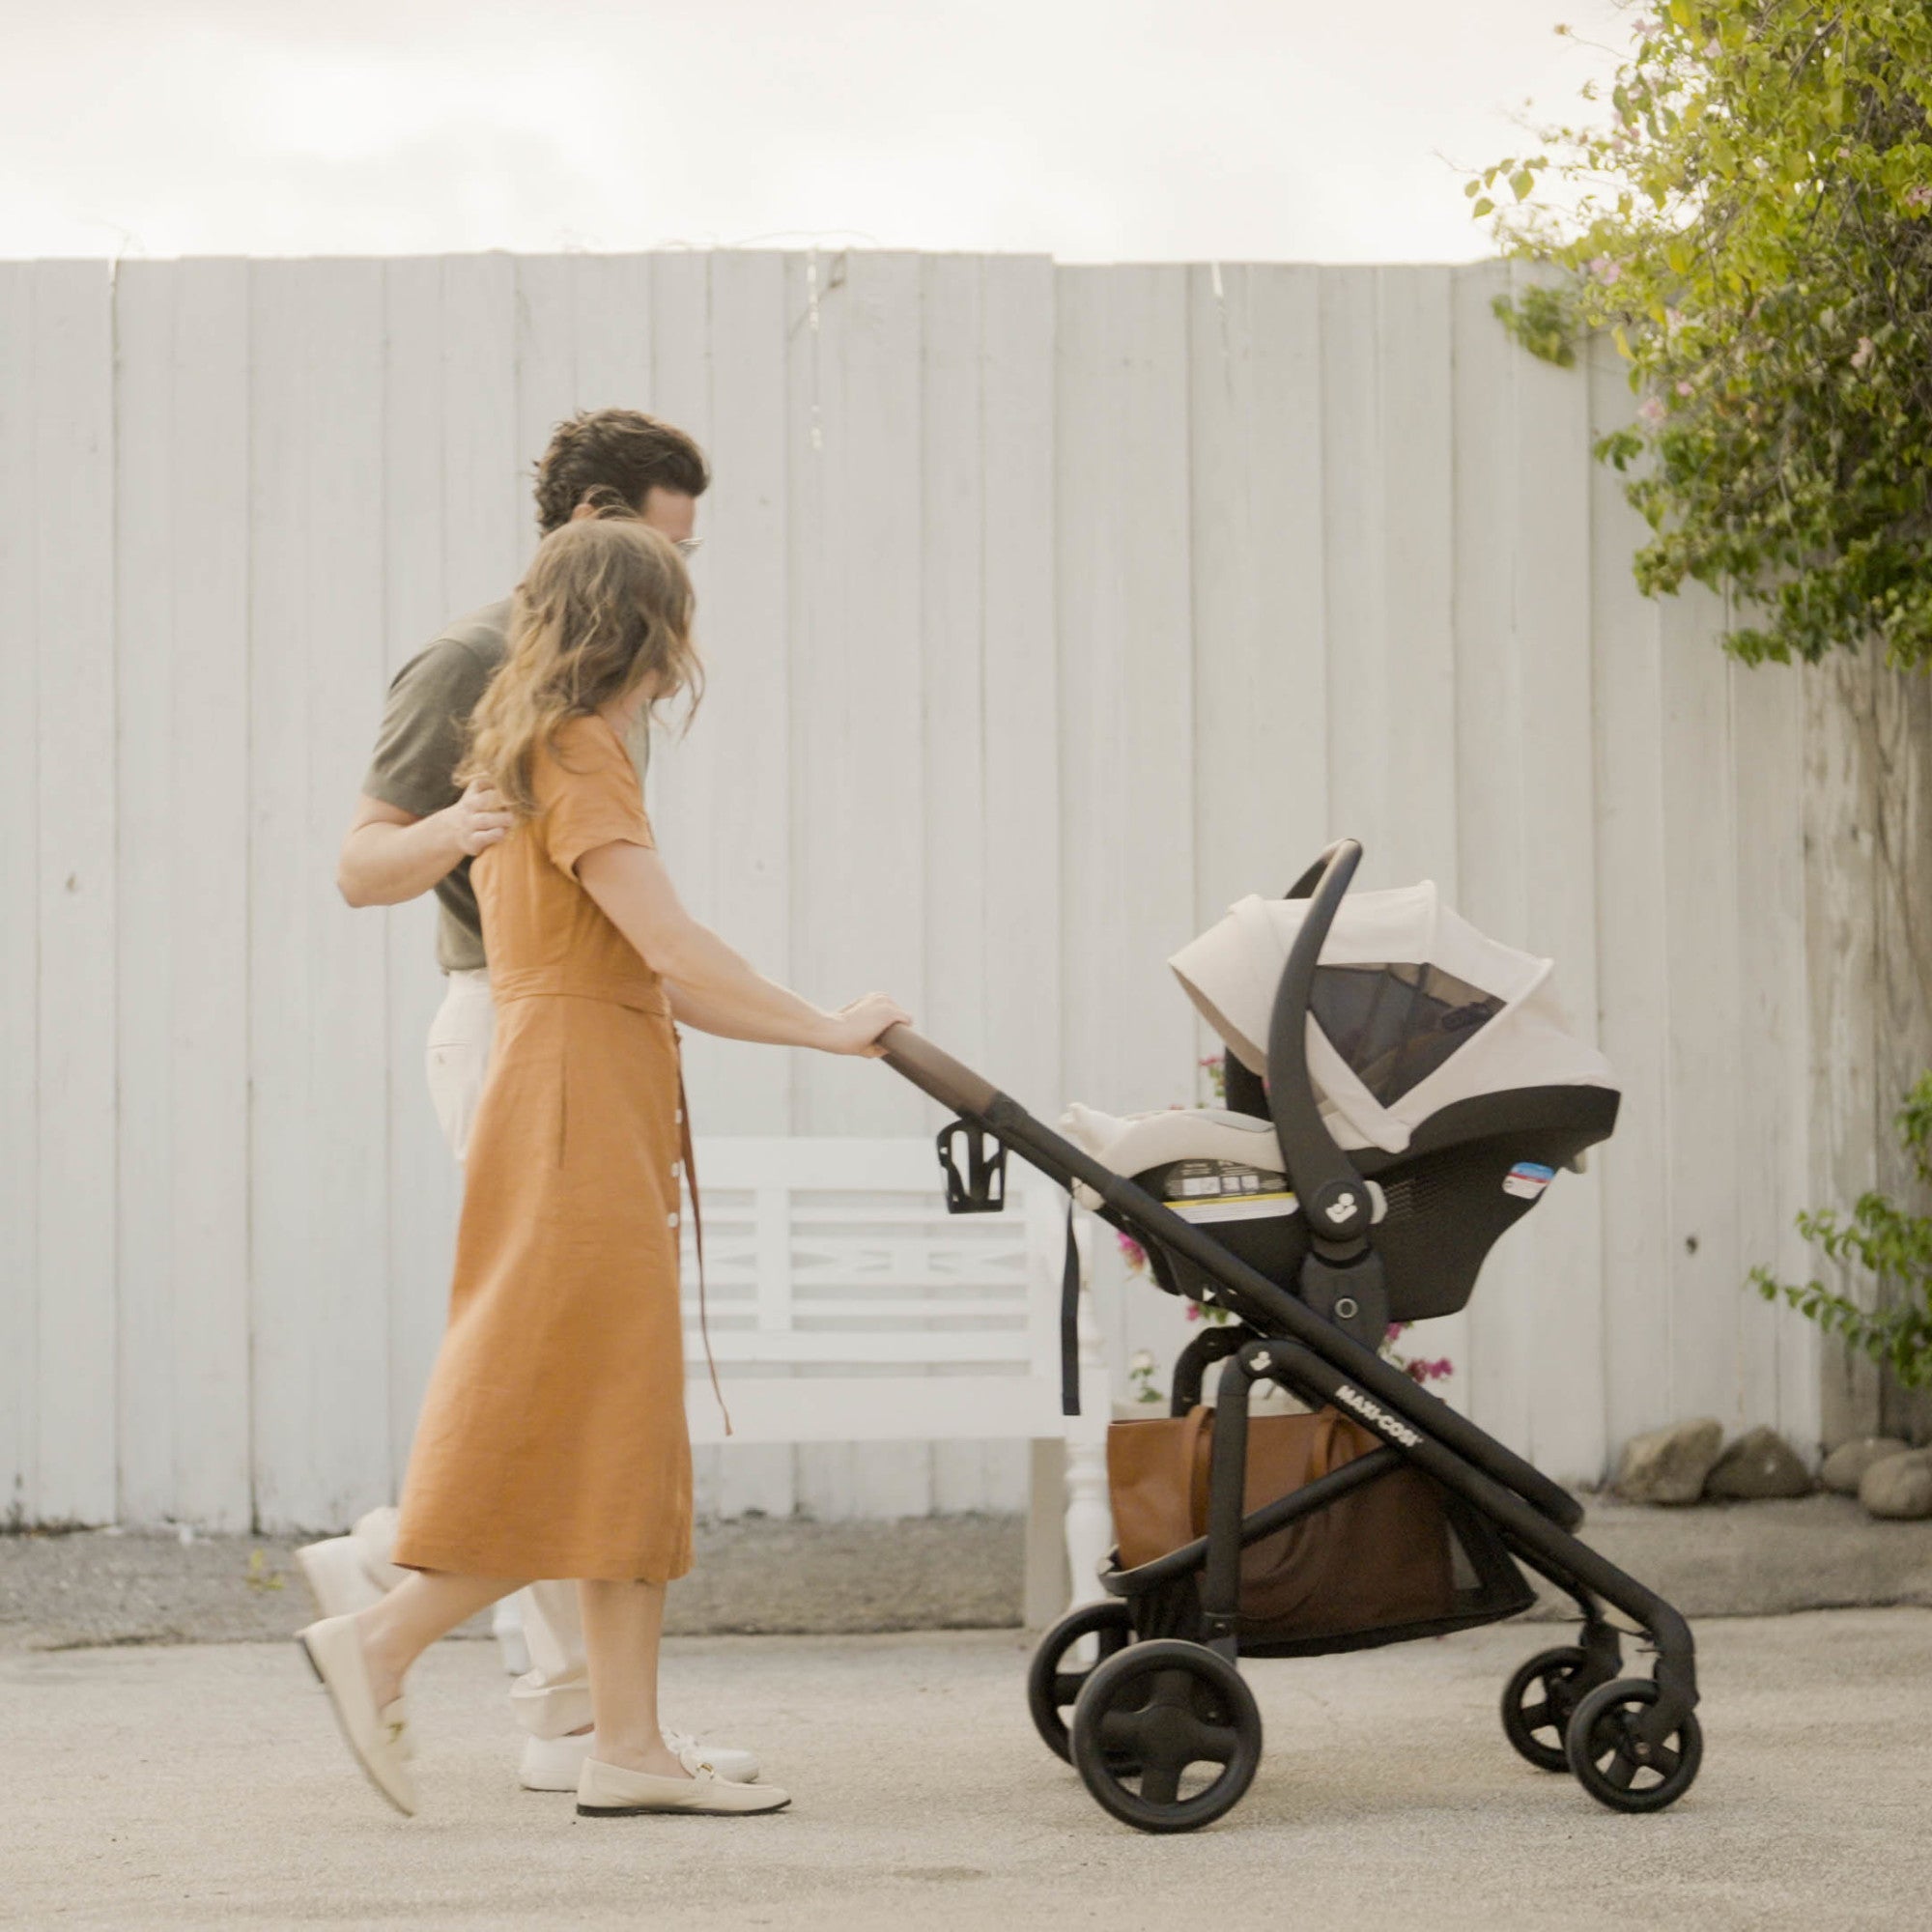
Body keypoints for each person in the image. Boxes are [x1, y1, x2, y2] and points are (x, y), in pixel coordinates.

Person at [298, 507, 911, 1818]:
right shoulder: (579, 752)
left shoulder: (523, 748)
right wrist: (827, 1028)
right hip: (578, 1104)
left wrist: (804, 1027)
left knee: (620, 1426)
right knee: (594, 1423)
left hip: (571, 1091)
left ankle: (626, 1746)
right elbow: (672, 951)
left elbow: (645, 969)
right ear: (650, 632)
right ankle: (384, 1638)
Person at [301, 411, 731, 1797]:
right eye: (669, 544)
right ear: (596, 521)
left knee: (576, 1371)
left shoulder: (597, 667)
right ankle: (443, 1623)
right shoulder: (477, 659)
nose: (683, 582)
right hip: (511, 1022)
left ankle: (573, 1713)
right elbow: (360, 866)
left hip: (582, 1027)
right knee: (572, 1374)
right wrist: (458, 827)